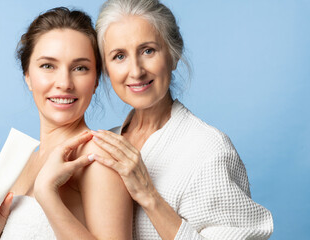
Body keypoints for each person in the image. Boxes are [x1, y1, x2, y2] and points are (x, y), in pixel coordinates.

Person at [90, 0, 274, 239]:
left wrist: (149, 196)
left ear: (173, 55)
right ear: (106, 68)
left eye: (148, 51)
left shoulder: (209, 150)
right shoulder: (103, 146)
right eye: (119, 56)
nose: (136, 71)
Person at [0, 7, 132, 240]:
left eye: (80, 68)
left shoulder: (97, 158)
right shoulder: (22, 163)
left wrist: (48, 195)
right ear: (27, 75)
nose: (64, 83)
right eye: (48, 66)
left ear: (96, 80)